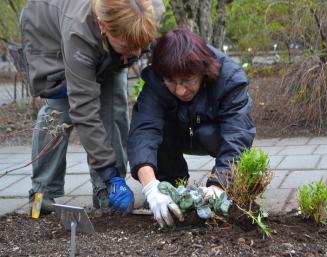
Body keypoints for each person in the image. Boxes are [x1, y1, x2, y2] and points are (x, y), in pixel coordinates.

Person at [20, 0, 165, 215]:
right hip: (48, 31)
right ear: (102, 26)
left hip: (106, 40)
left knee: (114, 107)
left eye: (140, 45)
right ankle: (41, 193)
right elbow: (84, 109)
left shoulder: (151, 10)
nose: (136, 52)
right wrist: (108, 171)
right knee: (60, 109)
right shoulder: (78, 31)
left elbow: (132, 44)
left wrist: (113, 177)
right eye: (128, 46)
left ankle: (106, 190)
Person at [127, 28, 256, 227]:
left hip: (214, 136)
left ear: (203, 72)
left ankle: (231, 184)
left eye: (188, 80)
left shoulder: (229, 78)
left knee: (227, 148)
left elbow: (238, 135)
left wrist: (219, 186)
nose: (179, 90)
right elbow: (143, 130)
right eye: (171, 81)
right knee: (157, 131)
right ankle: (169, 182)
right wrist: (151, 187)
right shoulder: (157, 80)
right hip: (177, 133)